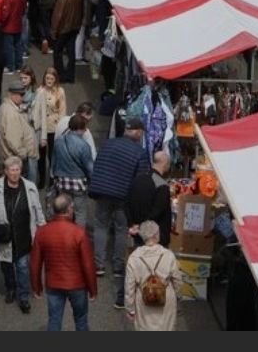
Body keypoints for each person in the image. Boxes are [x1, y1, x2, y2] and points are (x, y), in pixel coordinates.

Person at [89, 118, 150, 307]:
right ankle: (117, 266)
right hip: (123, 195)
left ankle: (98, 264)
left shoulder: (108, 144)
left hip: (102, 191)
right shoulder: (140, 152)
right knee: (121, 229)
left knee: (100, 226)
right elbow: (141, 180)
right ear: (138, 132)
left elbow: (97, 164)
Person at [30, 194, 98, 331]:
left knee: (54, 320)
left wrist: (36, 287)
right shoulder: (79, 233)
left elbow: (35, 264)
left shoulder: (42, 232)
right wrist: (93, 289)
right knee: (81, 320)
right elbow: (88, 265)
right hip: (77, 285)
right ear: (69, 209)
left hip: (54, 284)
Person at [0, 155, 46, 313]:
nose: (15, 173)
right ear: (5, 171)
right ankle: (10, 288)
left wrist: (42, 226)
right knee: (6, 265)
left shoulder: (30, 187)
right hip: (4, 234)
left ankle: (23, 297)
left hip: (23, 234)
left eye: (17, 170)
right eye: (11, 170)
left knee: (22, 267)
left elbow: (37, 209)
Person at [124, 221, 183, 331]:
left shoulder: (134, 257)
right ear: (156, 235)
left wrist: (130, 308)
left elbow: (129, 286)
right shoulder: (168, 255)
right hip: (166, 300)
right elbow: (177, 280)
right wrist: (178, 296)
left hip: (144, 299)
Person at [52, 115, 95, 230]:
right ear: (82, 128)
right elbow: (89, 168)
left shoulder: (58, 142)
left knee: (63, 210)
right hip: (78, 183)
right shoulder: (84, 145)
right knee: (80, 212)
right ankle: (78, 236)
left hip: (62, 181)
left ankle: (64, 233)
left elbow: (54, 162)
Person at [126, 151, 173, 248]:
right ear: (164, 163)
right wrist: (143, 226)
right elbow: (157, 211)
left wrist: (132, 224)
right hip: (155, 237)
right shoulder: (161, 185)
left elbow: (127, 203)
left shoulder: (137, 180)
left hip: (136, 234)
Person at [34, 67, 67, 188]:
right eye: (47, 78)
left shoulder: (60, 91)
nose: (49, 80)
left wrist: (62, 127)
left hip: (54, 127)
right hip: (42, 128)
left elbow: (63, 110)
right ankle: (41, 179)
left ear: (55, 79)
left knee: (53, 155)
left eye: (51, 78)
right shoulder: (39, 91)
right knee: (40, 156)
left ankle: (52, 179)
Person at [0, 82, 39, 174]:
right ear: (13, 95)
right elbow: (13, 140)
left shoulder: (5, 107)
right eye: (21, 95)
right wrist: (24, 154)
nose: (22, 97)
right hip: (14, 160)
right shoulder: (11, 113)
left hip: (10, 158)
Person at [51, 0, 84, 84]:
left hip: (63, 29)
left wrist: (54, 30)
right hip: (74, 27)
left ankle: (60, 74)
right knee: (71, 52)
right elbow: (81, 11)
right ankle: (70, 75)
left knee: (57, 51)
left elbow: (58, 16)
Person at [0, 0, 28, 75]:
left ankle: (10, 67)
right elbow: (24, 9)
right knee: (18, 46)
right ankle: (19, 65)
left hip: (8, 27)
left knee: (8, 47)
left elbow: (5, 14)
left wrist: (1, 21)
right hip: (18, 24)